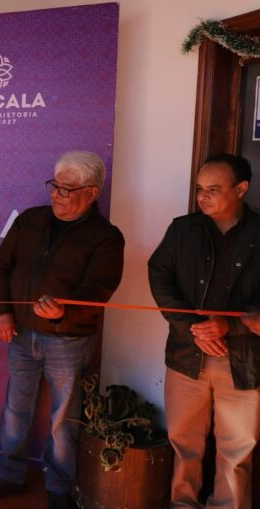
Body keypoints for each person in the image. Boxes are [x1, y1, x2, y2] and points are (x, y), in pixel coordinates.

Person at [0, 151, 125, 509]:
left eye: (66, 189)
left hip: (69, 341)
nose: (57, 194)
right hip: (21, 334)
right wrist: (2, 312)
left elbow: (99, 289)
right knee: (15, 408)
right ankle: (9, 475)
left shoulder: (106, 237)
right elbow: (1, 267)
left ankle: (59, 488)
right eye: (54, 186)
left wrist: (63, 311)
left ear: (92, 192)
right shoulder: (30, 219)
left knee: (64, 418)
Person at [148, 153, 260, 509]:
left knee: (237, 450)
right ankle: (182, 505)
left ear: (241, 189)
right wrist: (194, 327)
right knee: (184, 443)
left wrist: (231, 325)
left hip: (243, 360)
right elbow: (159, 275)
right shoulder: (183, 229)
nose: (203, 197)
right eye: (199, 189)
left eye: (213, 189)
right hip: (187, 354)